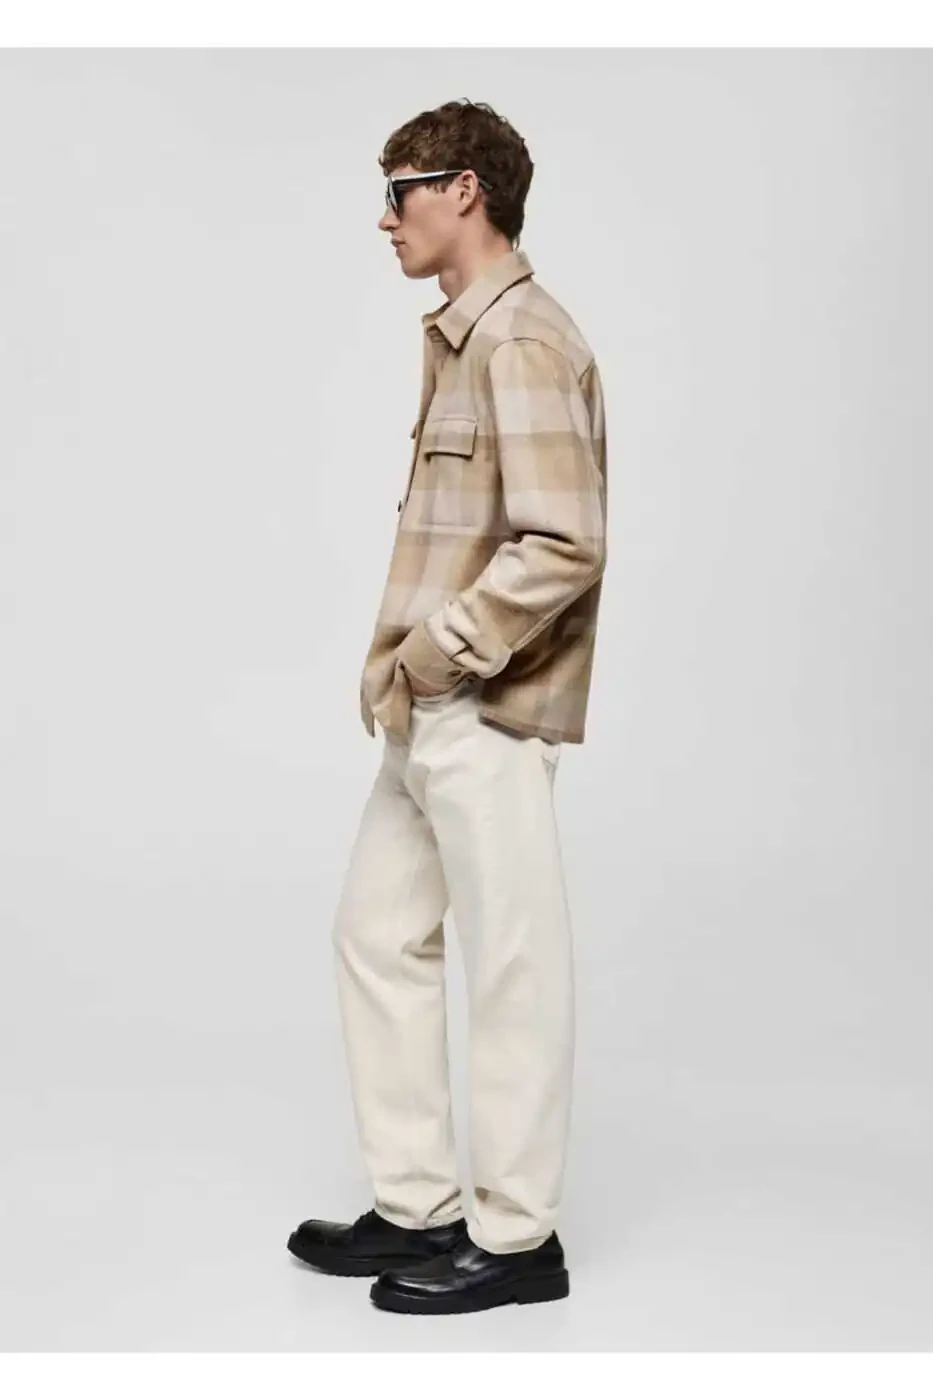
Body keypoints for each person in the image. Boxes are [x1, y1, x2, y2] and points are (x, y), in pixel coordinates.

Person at [287, 98, 608, 1315]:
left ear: (464, 188)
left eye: (401, 190)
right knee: (377, 934)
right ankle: (418, 1204)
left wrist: (442, 651)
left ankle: (518, 1238)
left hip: (489, 704)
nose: (387, 217)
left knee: (513, 962)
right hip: (425, 706)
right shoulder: (463, 338)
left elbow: (565, 540)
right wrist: (410, 675)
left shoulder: (524, 338)